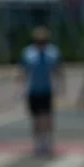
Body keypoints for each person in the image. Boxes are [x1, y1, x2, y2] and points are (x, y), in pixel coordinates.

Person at [19, 26, 63, 156]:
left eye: (43, 40)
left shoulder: (53, 52)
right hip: (33, 90)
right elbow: (23, 71)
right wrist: (20, 88)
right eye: (39, 40)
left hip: (47, 90)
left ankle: (48, 142)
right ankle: (37, 143)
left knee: (47, 117)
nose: (41, 42)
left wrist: (61, 87)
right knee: (36, 118)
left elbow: (58, 70)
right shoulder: (28, 53)